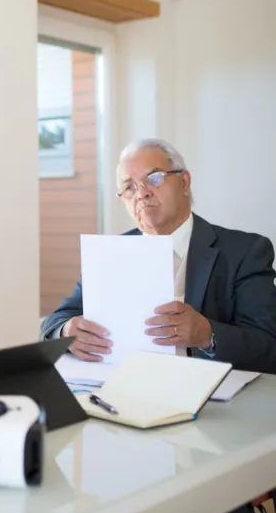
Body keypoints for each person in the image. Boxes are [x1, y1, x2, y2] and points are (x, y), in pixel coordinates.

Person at [41, 138, 276, 373]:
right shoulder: (110, 253)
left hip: (210, 394)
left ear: (184, 182)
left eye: (153, 178)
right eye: (129, 187)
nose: (141, 193)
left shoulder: (246, 251)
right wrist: (66, 330)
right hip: (119, 385)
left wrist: (208, 335)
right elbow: (56, 320)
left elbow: (267, 346)